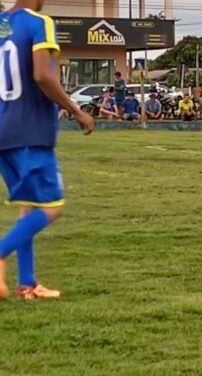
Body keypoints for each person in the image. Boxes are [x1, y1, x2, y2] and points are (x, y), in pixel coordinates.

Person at [0, 0, 94, 300]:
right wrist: (76, 110)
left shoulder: (3, 24)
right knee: (53, 207)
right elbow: (42, 75)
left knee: (28, 207)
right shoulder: (39, 22)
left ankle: (27, 284)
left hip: (4, 130)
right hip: (30, 132)